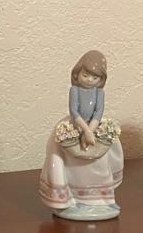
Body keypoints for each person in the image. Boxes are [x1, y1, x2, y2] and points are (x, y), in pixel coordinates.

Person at [39, 50, 123, 219]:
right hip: (76, 126)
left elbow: (98, 112)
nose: (89, 80)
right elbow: (74, 112)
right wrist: (85, 131)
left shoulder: (99, 93)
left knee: (101, 163)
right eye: (86, 75)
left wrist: (91, 131)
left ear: (101, 79)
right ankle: (72, 198)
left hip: (95, 127)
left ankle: (102, 199)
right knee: (70, 162)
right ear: (77, 74)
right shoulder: (75, 91)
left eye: (95, 77)